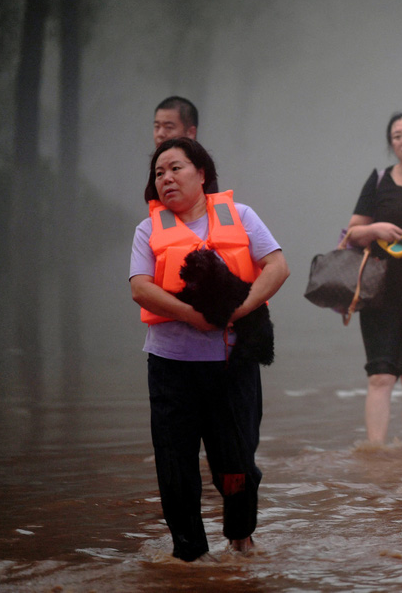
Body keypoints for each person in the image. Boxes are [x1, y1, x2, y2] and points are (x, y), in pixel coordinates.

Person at [129, 137, 288, 561]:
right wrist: (188, 314)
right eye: (159, 173)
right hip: (170, 369)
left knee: (236, 465)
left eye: (176, 169)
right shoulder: (148, 229)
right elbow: (140, 288)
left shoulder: (241, 216)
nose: (166, 179)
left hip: (231, 366)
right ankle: (190, 556)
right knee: (175, 468)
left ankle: (240, 539)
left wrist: (241, 309)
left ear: (202, 174)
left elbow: (277, 266)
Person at [345, 111, 402, 451]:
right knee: (381, 375)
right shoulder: (379, 180)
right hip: (380, 292)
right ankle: (375, 454)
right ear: (391, 144)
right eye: (397, 135)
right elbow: (352, 232)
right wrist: (374, 229)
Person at [153, 96, 218, 192]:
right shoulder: (157, 164)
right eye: (157, 126)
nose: (160, 134)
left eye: (169, 127)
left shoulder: (200, 166)